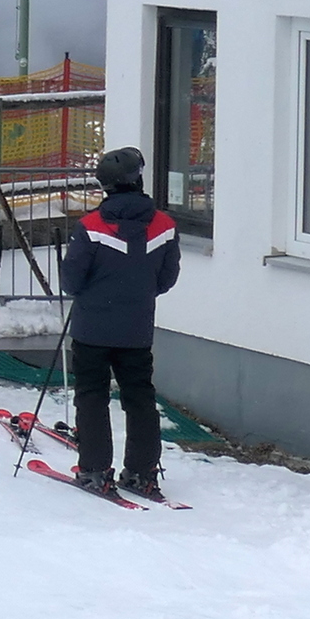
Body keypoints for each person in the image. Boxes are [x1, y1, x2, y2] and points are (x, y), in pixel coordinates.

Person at [58, 145, 182, 498]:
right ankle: (142, 472)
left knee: (92, 397)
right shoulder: (165, 226)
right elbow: (166, 279)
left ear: (105, 185)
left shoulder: (91, 226)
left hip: (92, 329)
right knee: (140, 398)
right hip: (137, 329)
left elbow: (71, 281)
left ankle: (95, 470)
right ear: (138, 179)